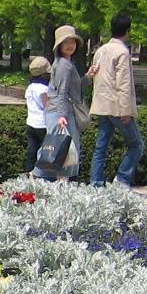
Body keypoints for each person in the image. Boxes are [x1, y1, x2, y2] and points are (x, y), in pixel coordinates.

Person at [87, 12, 145, 187]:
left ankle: (96, 182)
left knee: (101, 146)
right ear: (127, 31)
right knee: (136, 144)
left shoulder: (101, 51)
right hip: (117, 106)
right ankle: (122, 179)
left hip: (101, 104)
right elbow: (123, 83)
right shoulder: (122, 52)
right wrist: (126, 110)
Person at [40, 24, 88, 182]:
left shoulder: (64, 63)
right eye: (66, 42)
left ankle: (46, 181)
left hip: (59, 111)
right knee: (63, 150)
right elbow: (61, 92)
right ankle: (51, 182)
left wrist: (89, 76)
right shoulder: (64, 65)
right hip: (62, 113)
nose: (70, 45)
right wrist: (61, 116)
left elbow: (73, 88)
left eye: (72, 41)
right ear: (59, 45)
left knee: (55, 150)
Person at [24, 55, 51, 175]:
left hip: (31, 123)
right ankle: (41, 175)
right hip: (42, 124)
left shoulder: (30, 87)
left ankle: (29, 172)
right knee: (44, 153)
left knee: (32, 151)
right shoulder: (44, 89)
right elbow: (48, 107)